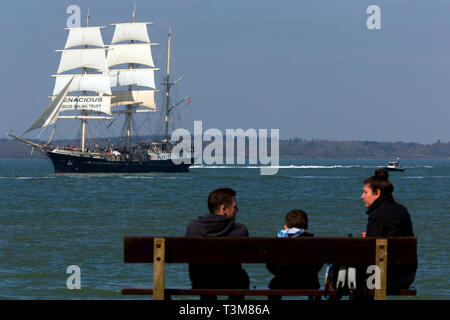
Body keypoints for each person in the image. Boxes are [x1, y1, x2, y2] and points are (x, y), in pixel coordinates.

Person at [359, 169, 416, 295]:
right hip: (406, 276)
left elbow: (371, 249)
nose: (362, 196)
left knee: (350, 279)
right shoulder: (402, 210)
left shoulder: (377, 215)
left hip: (381, 277)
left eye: (365, 192)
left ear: (377, 193)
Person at [185, 188, 249, 300]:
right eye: (234, 207)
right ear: (223, 209)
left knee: (202, 272)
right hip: (231, 281)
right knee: (241, 277)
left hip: (200, 282)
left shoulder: (193, 227)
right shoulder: (240, 230)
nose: (237, 210)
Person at [266, 209, 323, 300]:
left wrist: (279, 272)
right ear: (307, 227)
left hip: (282, 282)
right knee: (313, 282)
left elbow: (270, 265)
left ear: (285, 227)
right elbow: (319, 264)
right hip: (309, 282)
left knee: (274, 286)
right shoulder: (313, 241)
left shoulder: (278, 242)